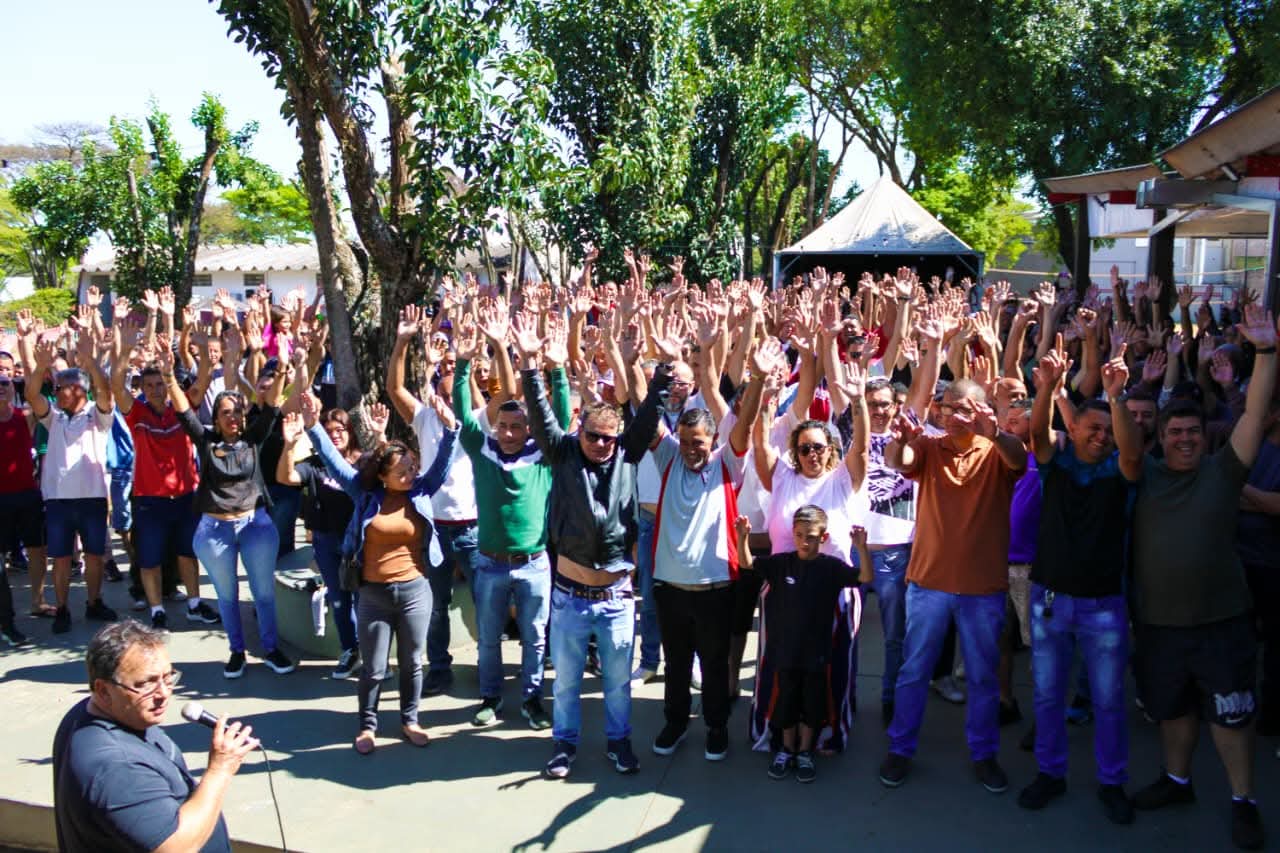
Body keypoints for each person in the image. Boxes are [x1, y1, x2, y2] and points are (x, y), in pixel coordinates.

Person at [1129, 306, 1278, 850]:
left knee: (1232, 715)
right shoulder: (1141, 474)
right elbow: (1119, 426)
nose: (1187, 438)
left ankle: (1243, 800)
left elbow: (1254, 414)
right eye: (1176, 431)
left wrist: (1264, 353)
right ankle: (1177, 781)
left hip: (1222, 621)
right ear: (1160, 438)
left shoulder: (1224, 470)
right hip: (1159, 623)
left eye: (1194, 431)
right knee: (1173, 707)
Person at [518, 310, 670, 779]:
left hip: (617, 599)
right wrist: (529, 365)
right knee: (565, 684)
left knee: (618, 685)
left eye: (608, 437)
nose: (602, 444)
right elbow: (542, 415)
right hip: (569, 597)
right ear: (578, 432)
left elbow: (648, 415)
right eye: (593, 436)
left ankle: (619, 744)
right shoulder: (562, 453)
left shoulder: (628, 452)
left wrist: (662, 367)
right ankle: (563, 746)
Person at [878, 378, 1026, 794]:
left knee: (982, 677)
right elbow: (899, 459)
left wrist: (994, 433)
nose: (951, 415)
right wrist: (903, 441)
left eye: (963, 408)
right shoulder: (930, 445)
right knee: (914, 671)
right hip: (928, 584)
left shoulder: (996, 449)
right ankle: (901, 749)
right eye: (945, 407)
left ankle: (984, 754)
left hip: (982, 589)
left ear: (982, 412)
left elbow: (1018, 458)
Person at [1017, 338, 1142, 825]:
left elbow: (1132, 453)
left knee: (1109, 701)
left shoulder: (1122, 472)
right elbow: (1037, 437)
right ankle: (1051, 772)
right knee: (1047, 695)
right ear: (1074, 427)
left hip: (1104, 606)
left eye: (1108, 432)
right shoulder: (1057, 468)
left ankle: (1112, 781)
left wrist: (1115, 398)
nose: (1102, 437)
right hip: (1050, 600)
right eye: (1093, 428)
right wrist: (1046, 386)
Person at [300, 392, 456, 753]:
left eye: (412, 468)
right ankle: (367, 726)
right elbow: (331, 460)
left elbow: (444, 462)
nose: (410, 475)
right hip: (373, 593)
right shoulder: (364, 493)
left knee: (412, 663)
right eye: (401, 472)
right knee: (372, 668)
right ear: (383, 476)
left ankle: (410, 719)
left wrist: (450, 429)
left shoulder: (421, 490)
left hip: (415, 590)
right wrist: (312, 425)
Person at [647, 338, 779, 763]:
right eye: (685, 441)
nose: (690, 449)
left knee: (717, 662)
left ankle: (717, 727)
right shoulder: (668, 457)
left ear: (712, 440)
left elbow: (744, 423)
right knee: (677, 663)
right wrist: (646, 365)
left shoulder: (728, 461)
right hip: (670, 585)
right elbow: (642, 408)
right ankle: (675, 721)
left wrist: (757, 377)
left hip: (716, 587)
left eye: (698, 442)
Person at [453, 305, 570, 730]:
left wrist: (552, 369)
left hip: (535, 563)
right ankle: (490, 698)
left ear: (528, 430)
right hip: (489, 563)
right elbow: (463, 413)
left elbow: (560, 413)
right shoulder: (480, 448)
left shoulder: (543, 455)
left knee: (536, 639)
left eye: (516, 426)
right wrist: (463, 362)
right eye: (501, 425)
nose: (507, 432)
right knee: (488, 640)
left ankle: (533, 700)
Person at [52, 620, 256, 853]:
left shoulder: (99, 713)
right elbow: (175, 848)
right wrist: (220, 770)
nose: (163, 694)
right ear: (103, 690)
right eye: (145, 684)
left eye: (168, 678)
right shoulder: (116, 767)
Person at [749, 359, 869, 753]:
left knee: (831, 667)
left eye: (819, 447)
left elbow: (863, 449)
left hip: (833, 594)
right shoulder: (781, 476)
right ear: (795, 451)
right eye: (804, 448)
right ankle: (775, 732)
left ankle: (826, 735)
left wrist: (859, 403)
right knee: (778, 665)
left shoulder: (841, 481)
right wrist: (766, 396)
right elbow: (759, 443)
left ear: (830, 450)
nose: (812, 454)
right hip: (784, 591)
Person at [166, 341, 293, 679]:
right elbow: (183, 412)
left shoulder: (254, 438)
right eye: (226, 412)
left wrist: (280, 369)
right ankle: (237, 652)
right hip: (214, 531)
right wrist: (168, 376)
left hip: (256, 526)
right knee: (227, 597)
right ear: (217, 418)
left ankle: (270, 649)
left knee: (264, 594)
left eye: (237, 411)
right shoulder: (206, 440)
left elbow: (270, 410)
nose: (233, 417)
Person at [388, 304, 483, 697]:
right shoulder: (424, 416)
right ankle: (439, 670)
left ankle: (489, 672)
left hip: (475, 528)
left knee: (486, 605)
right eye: (442, 368)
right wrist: (402, 341)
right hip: (434, 529)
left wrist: (467, 359)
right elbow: (394, 389)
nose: (447, 372)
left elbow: (491, 396)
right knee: (437, 606)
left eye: (452, 367)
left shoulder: (479, 418)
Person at [736, 508, 871, 783]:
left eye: (810, 536)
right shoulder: (781, 563)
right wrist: (743, 538)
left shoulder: (831, 568)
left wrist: (861, 548)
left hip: (817, 655)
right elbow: (747, 563)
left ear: (824, 537)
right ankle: (787, 750)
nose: (804, 542)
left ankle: (806, 752)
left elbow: (865, 578)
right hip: (784, 653)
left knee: (812, 706)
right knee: (785, 703)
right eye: (798, 535)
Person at [112, 325, 220, 630]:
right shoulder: (136, 414)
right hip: (148, 500)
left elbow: (204, 379)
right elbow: (116, 386)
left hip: (186, 497)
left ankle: (195, 604)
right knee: (149, 559)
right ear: (143, 389)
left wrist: (200, 346)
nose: (157, 390)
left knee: (187, 553)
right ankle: (157, 610)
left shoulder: (183, 409)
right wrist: (124, 352)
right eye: (150, 385)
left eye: (161, 383)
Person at [18, 313, 118, 634]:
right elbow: (33, 396)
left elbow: (106, 394)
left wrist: (91, 364)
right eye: (57, 387)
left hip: (92, 498)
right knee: (60, 558)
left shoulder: (96, 415)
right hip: (59, 501)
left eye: (63, 388)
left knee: (94, 556)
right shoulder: (54, 418)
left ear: (79, 390)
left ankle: (93, 603)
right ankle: (62, 609)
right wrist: (40, 365)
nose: (57, 392)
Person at [277, 406, 368, 679]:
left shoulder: (363, 463)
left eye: (340, 430)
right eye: (328, 432)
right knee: (340, 599)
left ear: (350, 432)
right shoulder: (316, 464)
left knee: (366, 599)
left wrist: (381, 436)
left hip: (359, 542)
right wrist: (289, 445)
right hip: (326, 540)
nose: (335, 435)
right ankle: (349, 650)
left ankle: (374, 656)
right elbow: (285, 477)